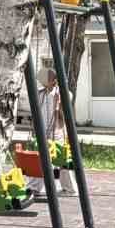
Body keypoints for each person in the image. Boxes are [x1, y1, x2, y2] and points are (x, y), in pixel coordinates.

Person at [28, 68, 75, 198]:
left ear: (52, 81)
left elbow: (63, 115)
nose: (42, 84)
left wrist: (59, 103)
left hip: (57, 131)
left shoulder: (64, 94)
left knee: (61, 159)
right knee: (39, 159)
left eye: (45, 81)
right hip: (42, 130)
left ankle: (69, 188)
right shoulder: (40, 94)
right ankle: (34, 187)